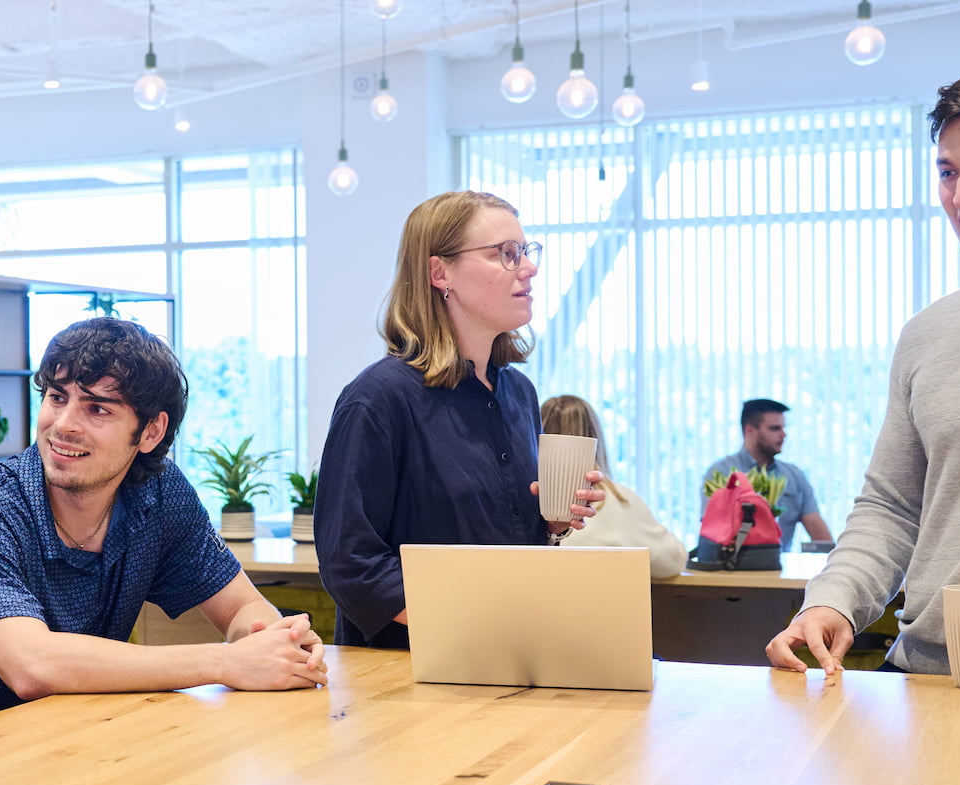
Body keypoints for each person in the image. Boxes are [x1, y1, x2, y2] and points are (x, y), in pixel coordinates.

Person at [0, 316, 325, 747]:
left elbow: (243, 606)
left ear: (150, 431)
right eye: (55, 396)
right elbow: (32, 665)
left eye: (97, 408)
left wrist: (273, 641)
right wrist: (227, 663)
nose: (64, 424)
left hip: (70, 750)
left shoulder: (158, 494)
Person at [769, 53, 960, 682]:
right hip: (926, 678)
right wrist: (833, 602)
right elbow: (892, 506)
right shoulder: (931, 333)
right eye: (948, 171)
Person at [315, 190, 605, 648]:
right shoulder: (378, 399)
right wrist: (477, 621)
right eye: (505, 254)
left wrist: (551, 520)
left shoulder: (519, 394)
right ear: (439, 272)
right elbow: (351, 565)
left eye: (526, 252)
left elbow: (503, 542)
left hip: (508, 655)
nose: (527, 268)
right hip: (408, 678)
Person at [541, 395, 688, 579]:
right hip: (605, 606)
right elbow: (672, 561)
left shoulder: (524, 499)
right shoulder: (621, 500)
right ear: (595, 438)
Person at [700, 399, 831, 551]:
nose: (783, 435)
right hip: (731, 570)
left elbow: (822, 539)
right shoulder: (721, 474)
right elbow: (710, 533)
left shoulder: (794, 476)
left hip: (779, 570)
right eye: (775, 429)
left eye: (783, 428)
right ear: (750, 430)